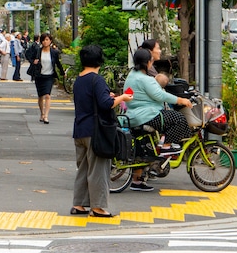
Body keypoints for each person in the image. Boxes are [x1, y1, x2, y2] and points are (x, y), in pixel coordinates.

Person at [72, 44, 133, 218]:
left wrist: (109, 96)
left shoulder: (79, 79)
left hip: (80, 129)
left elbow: (95, 100)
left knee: (83, 168)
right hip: (95, 131)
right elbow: (106, 104)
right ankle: (98, 207)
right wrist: (122, 97)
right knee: (98, 169)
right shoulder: (96, 79)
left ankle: (79, 204)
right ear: (99, 61)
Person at [123, 47, 192, 192]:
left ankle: (137, 180)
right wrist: (181, 100)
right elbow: (160, 96)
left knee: (144, 148)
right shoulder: (145, 79)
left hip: (133, 116)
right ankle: (166, 146)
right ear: (147, 63)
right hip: (148, 115)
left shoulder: (131, 76)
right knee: (179, 118)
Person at [26, 32, 63, 123]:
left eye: (47, 40)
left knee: (47, 95)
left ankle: (46, 116)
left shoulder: (54, 52)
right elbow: (27, 54)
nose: (45, 42)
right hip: (39, 75)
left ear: (50, 41)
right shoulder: (38, 50)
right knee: (40, 96)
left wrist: (62, 73)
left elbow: (57, 63)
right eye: (43, 40)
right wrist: (32, 61)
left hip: (49, 76)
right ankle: (42, 113)